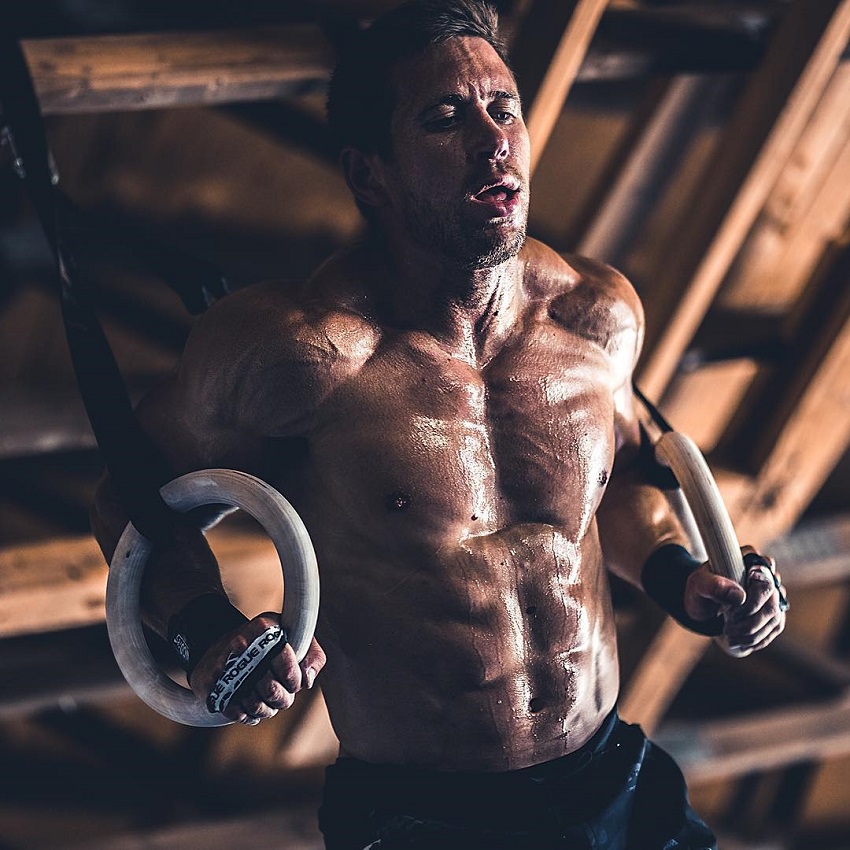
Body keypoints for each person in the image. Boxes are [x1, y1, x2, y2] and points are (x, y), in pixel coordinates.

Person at [92, 1, 788, 847]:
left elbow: (622, 481)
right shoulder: (301, 356)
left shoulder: (597, 320)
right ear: (369, 174)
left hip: (609, 775)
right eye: (444, 118)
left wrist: (687, 579)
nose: (493, 141)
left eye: (504, 108)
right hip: (421, 817)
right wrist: (208, 635)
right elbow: (133, 504)